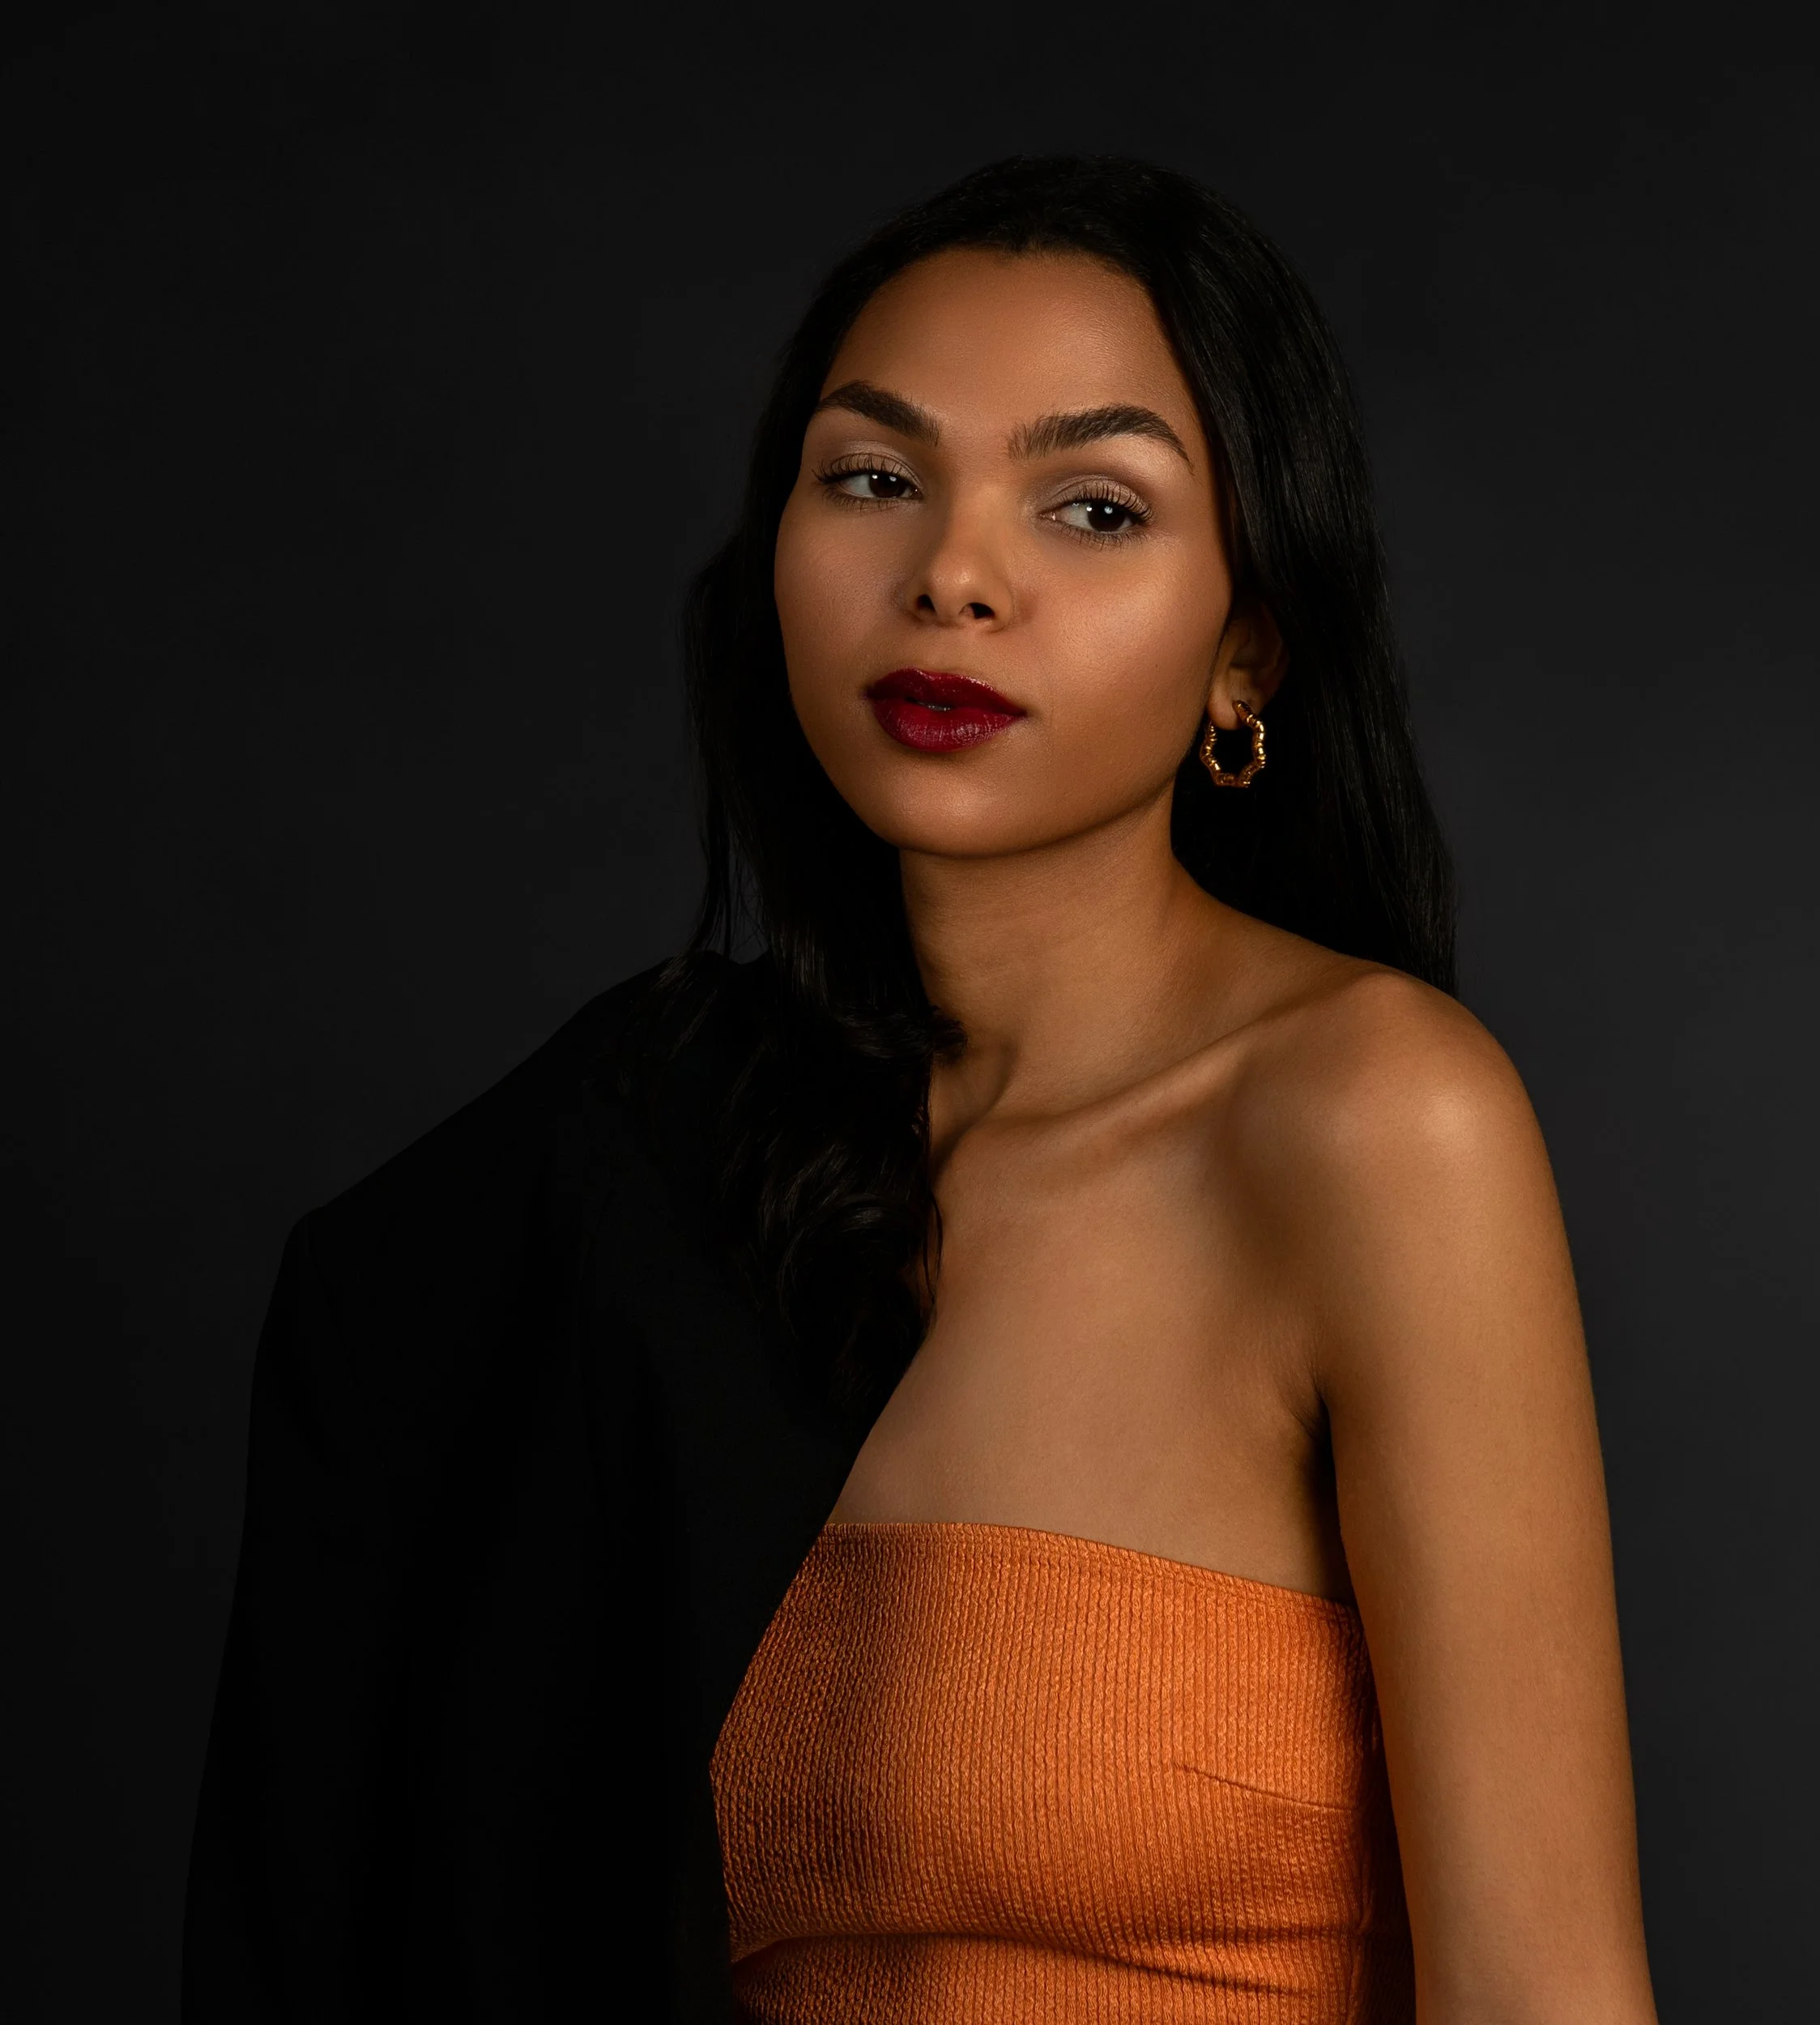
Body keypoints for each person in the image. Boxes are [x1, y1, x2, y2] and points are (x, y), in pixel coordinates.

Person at [185, 156, 1660, 2025]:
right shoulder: (648, 1166)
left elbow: (1542, 1990)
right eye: (873, 478)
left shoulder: (1372, 1119)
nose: (951, 575)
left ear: (1246, 651)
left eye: (1092, 507)